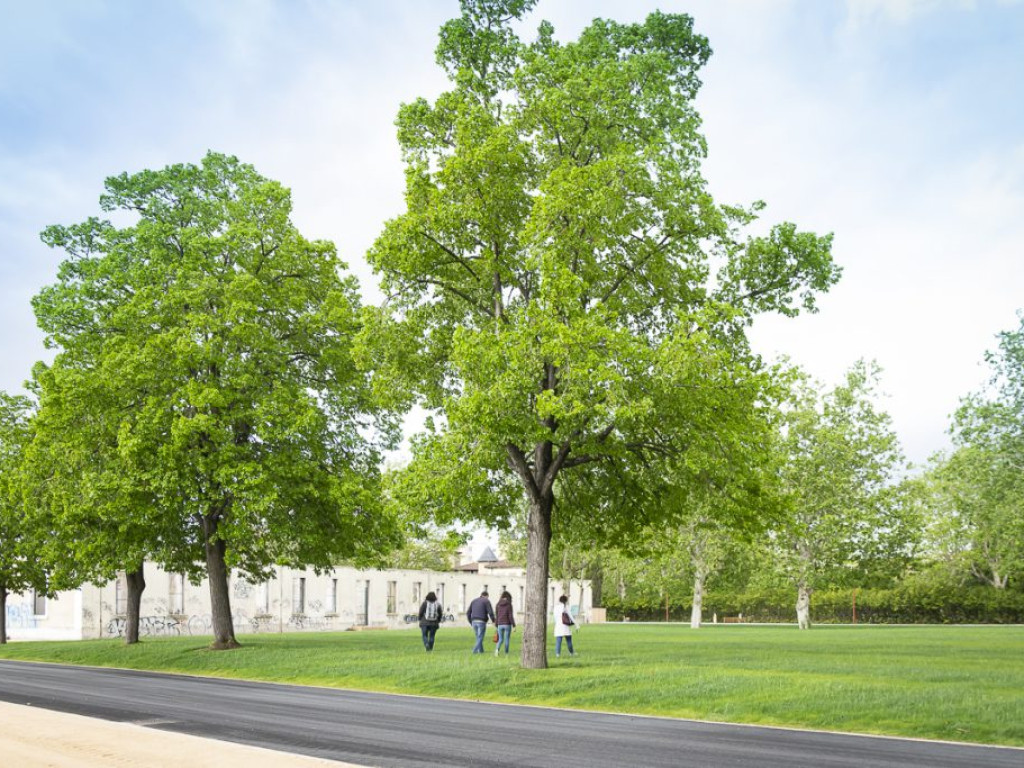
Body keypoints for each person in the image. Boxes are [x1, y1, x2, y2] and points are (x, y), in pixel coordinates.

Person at [466, 590, 495, 654]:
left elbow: (468, 613)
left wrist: (471, 622)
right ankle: (474, 651)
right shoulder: (486, 601)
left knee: (478, 637)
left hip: (474, 621)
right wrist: (494, 621)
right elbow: (490, 612)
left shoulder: (474, 601)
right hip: (481, 621)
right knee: (480, 637)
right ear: (486, 596)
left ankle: (481, 651)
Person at [494, 590, 516, 655]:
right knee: (507, 639)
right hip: (507, 624)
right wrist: (514, 625)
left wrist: (496, 624)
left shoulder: (498, 604)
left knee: (500, 639)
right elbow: (510, 616)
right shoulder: (509, 604)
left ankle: (496, 651)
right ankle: (506, 653)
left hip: (500, 624)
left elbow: (497, 615)